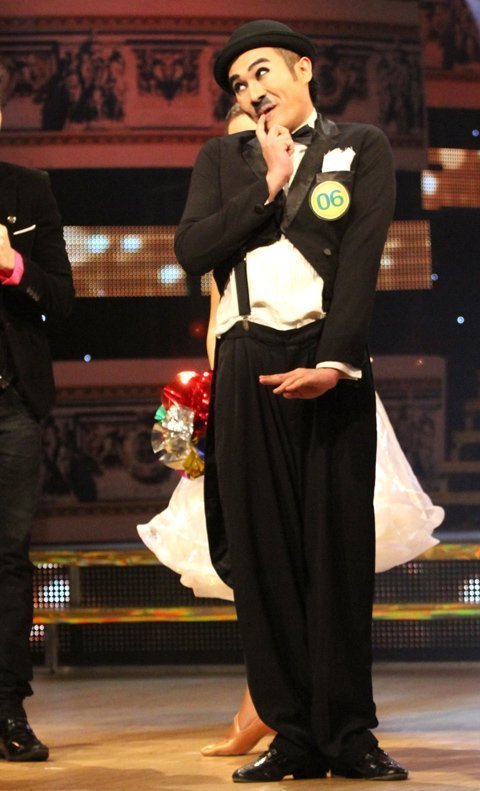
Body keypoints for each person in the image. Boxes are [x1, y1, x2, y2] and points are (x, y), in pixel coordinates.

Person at [173, 18, 411, 782]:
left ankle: (349, 733)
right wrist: (269, 185)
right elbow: (191, 249)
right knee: (264, 558)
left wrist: (335, 363)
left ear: (303, 69)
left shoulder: (361, 146)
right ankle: (294, 733)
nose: (251, 89)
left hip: (327, 360)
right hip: (246, 361)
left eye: (262, 71)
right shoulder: (222, 159)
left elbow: (363, 259)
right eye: (239, 83)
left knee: (338, 553)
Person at [0, 83, 75, 761]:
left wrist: (14, 266)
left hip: (11, 403)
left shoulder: (29, 189)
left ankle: (8, 710)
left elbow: (63, 295)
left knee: (8, 558)